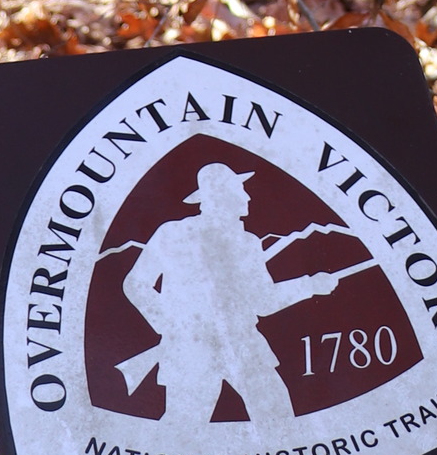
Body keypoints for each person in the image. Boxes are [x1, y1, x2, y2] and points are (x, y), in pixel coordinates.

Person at [115, 158, 358, 427]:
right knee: (182, 433)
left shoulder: (247, 243)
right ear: (220, 197)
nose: (247, 196)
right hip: (190, 349)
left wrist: (310, 285)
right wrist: (172, 324)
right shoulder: (172, 233)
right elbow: (136, 284)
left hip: (243, 343)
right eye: (238, 190)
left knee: (279, 421)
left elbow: (262, 301)